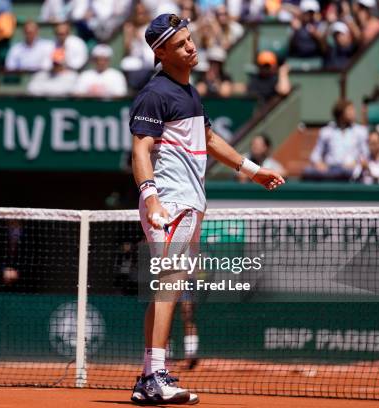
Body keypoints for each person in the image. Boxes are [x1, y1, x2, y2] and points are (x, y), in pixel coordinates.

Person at [129, 13, 284, 405]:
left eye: (190, 40)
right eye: (181, 44)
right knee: (171, 281)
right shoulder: (155, 93)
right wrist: (152, 198)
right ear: (161, 52)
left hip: (188, 203)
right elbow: (140, 149)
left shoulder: (190, 93)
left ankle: (149, 374)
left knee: (167, 286)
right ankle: (156, 376)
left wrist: (252, 171)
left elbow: (210, 139)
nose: (191, 47)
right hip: (169, 203)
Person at [303, 99, 369, 180]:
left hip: (351, 170)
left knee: (354, 172)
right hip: (331, 169)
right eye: (350, 110)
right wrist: (319, 164)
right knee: (307, 171)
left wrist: (356, 163)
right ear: (341, 113)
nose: (353, 113)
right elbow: (315, 155)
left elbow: (366, 155)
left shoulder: (361, 131)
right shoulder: (326, 131)